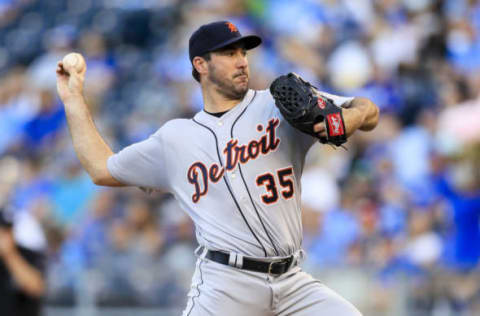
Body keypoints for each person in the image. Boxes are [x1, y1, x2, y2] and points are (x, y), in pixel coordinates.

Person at [56, 21, 379, 315]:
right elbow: (101, 169)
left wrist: (351, 116)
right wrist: (73, 99)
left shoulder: (277, 105)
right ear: (201, 64)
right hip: (227, 285)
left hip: (293, 282)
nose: (242, 60)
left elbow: (368, 110)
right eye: (229, 53)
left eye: (243, 52)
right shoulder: (174, 140)